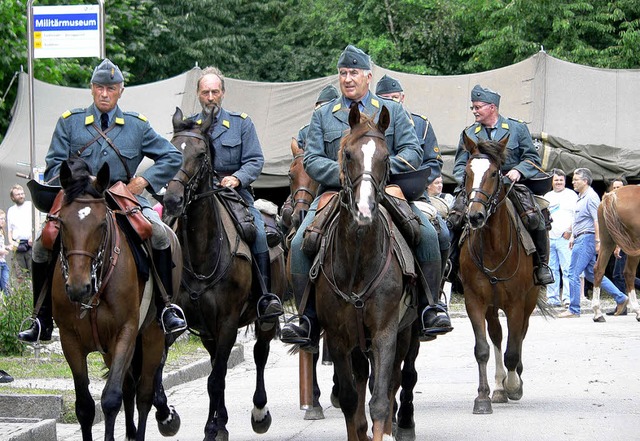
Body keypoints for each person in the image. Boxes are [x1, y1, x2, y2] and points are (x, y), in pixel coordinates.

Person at [281, 45, 452, 351]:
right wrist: (351, 177)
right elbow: (312, 160)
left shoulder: (393, 111)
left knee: (428, 232)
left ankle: (430, 308)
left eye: (354, 73)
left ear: (369, 77)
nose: (348, 79)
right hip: (337, 192)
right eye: (343, 73)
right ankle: (305, 319)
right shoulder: (323, 114)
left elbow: (412, 152)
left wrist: (376, 174)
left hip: (387, 189)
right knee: (298, 244)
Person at [18, 58, 186, 343]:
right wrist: (79, 181)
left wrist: (143, 181)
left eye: (111, 88)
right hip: (78, 201)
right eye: (99, 88)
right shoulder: (70, 123)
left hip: (123, 197)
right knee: (42, 241)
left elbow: (172, 156)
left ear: (121, 90)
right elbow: (53, 165)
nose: (104, 93)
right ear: (92, 89)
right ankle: (41, 318)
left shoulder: (136, 125)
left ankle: (165, 308)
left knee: (158, 233)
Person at [190, 66, 283, 321]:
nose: (210, 97)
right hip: (198, 198)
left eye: (215, 91)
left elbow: (255, 160)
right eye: (205, 92)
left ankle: (265, 297)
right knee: (170, 230)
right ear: (198, 94)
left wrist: (237, 177)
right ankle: (169, 304)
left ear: (223, 93)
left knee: (259, 234)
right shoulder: (189, 127)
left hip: (235, 196)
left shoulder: (241, 123)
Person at [450, 84, 554, 286]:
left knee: (535, 217)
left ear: (492, 107)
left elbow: (532, 158)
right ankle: (451, 266)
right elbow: (459, 165)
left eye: (478, 107)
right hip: (477, 189)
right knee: (453, 220)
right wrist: (469, 181)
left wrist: (519, 170)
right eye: (473, 107)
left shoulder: (516, 129)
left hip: (510, 187)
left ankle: (541, 266)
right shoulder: (469, 133)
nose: (474, 111)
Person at [375, 74, 451, 313]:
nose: (392, 103)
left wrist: (417, 182)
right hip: (374, 191)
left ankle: (433, 300)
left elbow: (434, 162)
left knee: (442, 233)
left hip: (413, 195)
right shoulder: (370, 123)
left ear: (403, 97)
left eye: (395, 98)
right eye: (385, 99)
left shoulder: (421, 124)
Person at [558, 168, 628, 318]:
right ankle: (621, 297)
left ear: (585, 181)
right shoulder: (581, 196)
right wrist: (571, 234)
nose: (573, 182)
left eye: (576, 179)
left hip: (586, 239)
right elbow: (578, 219)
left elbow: (597, 220)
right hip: (581, 238)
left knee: (573, 273)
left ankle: (574, 309)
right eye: (573, 179)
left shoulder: (591, 197)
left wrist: (598, 241)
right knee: (592, 273)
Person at [543, 169, 578, 307]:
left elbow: (577, 216)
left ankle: (568, 298)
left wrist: (570, 231)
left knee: (568, 269)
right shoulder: (547, 196)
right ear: (552, 182)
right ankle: (552, 298)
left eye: (561, 180)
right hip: (550, 237)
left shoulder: (571, 195)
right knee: (551, 269)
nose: (558, 182)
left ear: (565, 181)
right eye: (556, 180)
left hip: (565, 238)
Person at [605, 176, 638, 314]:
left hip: (628, 242)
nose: (617, 190)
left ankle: (622, 302)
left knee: (620, 273)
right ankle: (622, 301)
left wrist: (619, 245)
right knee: (620, 273)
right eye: (615, 187)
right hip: (623, 242)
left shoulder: (628, 205)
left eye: (620, 187)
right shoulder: (613, 203)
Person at [296, 84, 340, 150]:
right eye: (322, 106)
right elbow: (299, 158)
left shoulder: (346, 128)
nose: (325, 110)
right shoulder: (305, 132)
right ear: (316, 107)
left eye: (329, 107)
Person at [6, 184, 33, 281]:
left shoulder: (30, 205)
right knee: (20, 276)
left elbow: (38, 222)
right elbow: (9, 230)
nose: (21, 196)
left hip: (30, 244)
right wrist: (11, 242)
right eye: (18, 194)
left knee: (33, 274)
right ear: (13, 197)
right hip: (17, 245)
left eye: (22, 194)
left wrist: (33, 237)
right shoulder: (11, 210)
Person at [0, 209, 10, 295]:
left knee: (6, 287)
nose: (3, 221)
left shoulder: (2, 231)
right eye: (0, 219)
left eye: (4, 219)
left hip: (3, 262)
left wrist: (6, 247)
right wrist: (3, 251)